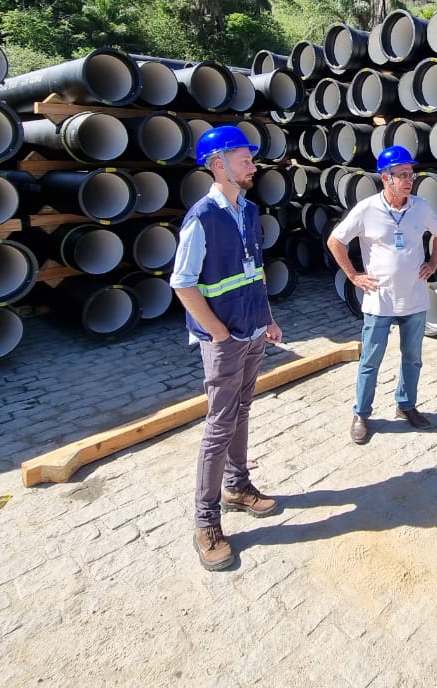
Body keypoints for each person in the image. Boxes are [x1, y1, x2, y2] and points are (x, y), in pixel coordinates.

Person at [171, 125, 284, 572]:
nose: (252, 166)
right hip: (224, 340)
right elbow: (182, 283)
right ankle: (206, 521)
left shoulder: (249, 211)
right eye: (244, 159)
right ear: (218, 164)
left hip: (254, 331)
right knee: (218, 426)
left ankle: (238, 486)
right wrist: (217, 332)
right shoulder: (202, 218)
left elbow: (255, 271)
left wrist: (268, 319)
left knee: (241, 412)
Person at [327, 145, 437, 445]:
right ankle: (361, 414)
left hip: (414, 298)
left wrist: (433, 263)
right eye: (402, 175)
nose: (409, 180)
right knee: (371, 359)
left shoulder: (420, 207)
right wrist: (354, 275)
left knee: (413, 358)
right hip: (379, 299)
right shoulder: (367, 209)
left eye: (411, 174)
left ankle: (406, 405)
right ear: (385, 178)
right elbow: (335, 241)